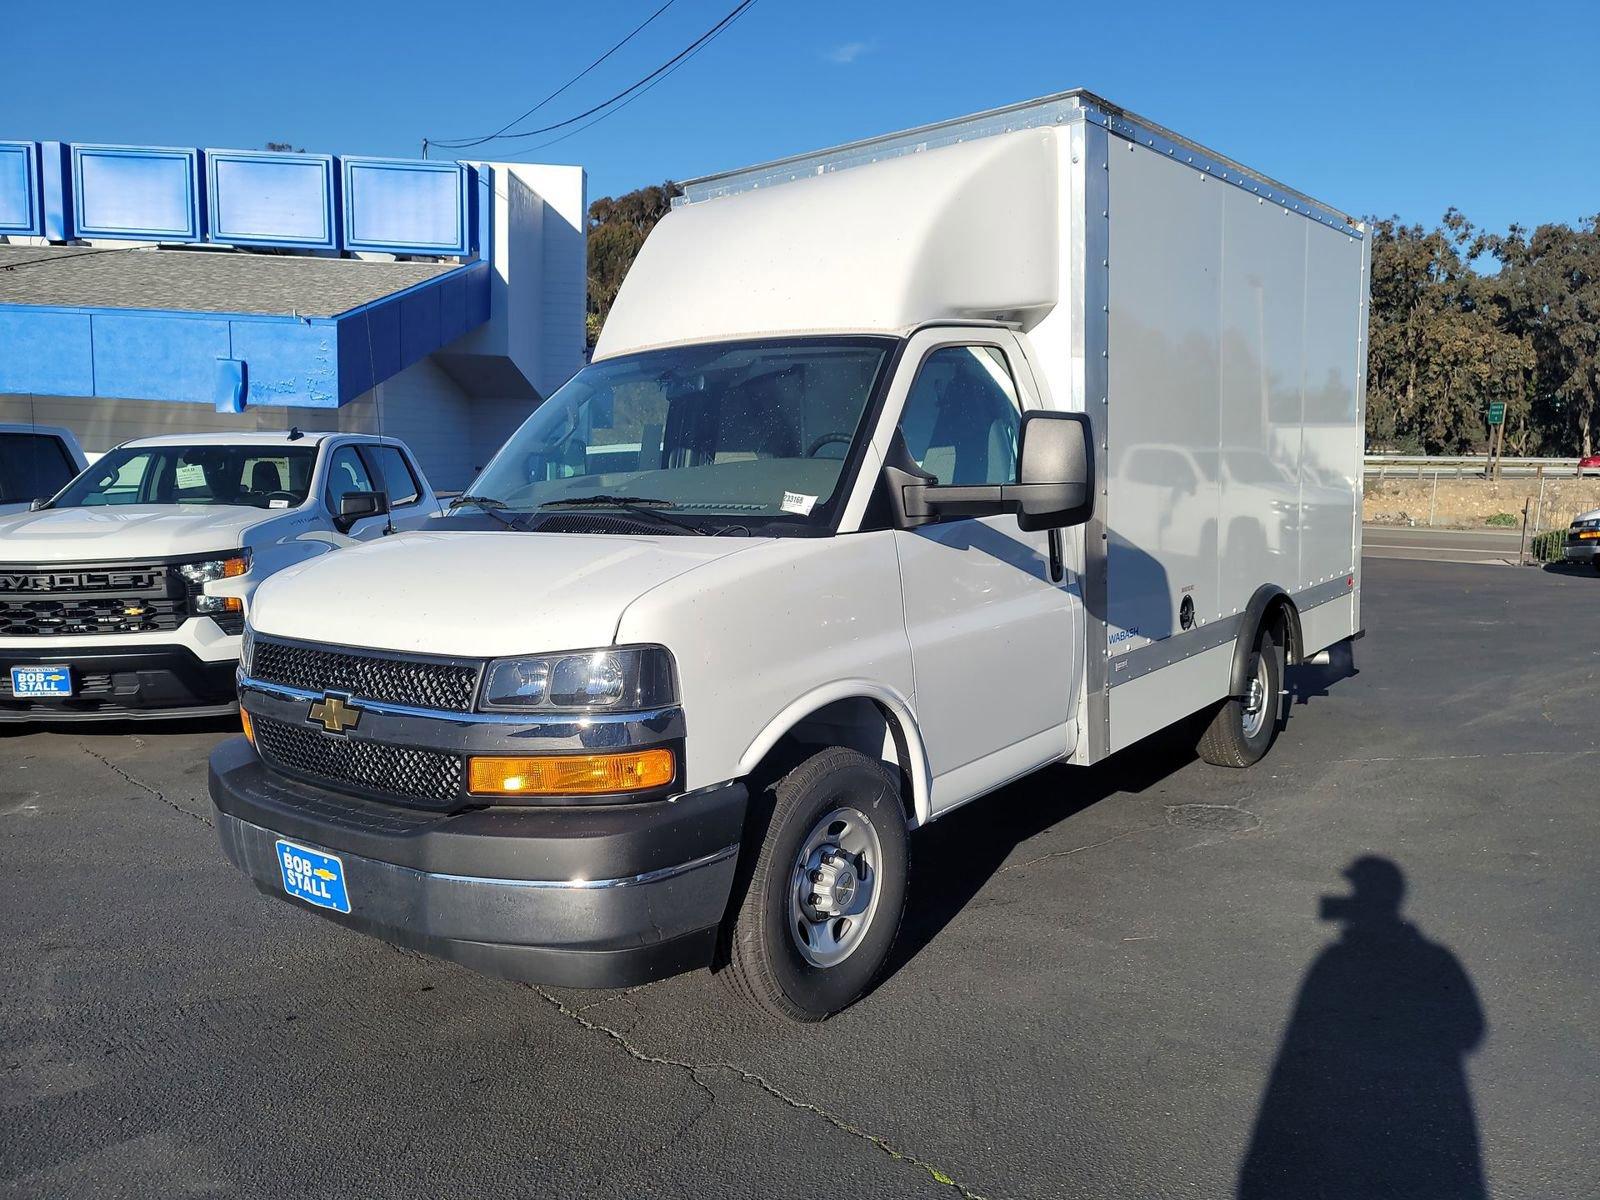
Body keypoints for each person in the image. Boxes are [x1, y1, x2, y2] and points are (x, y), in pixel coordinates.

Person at [1238, 857, 1488, 1199]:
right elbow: (1470, 1030)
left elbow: (1303, 1033)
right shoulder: (1436, 958)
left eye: (1356, 890)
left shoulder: (1337, 959)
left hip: (1364, 1105)